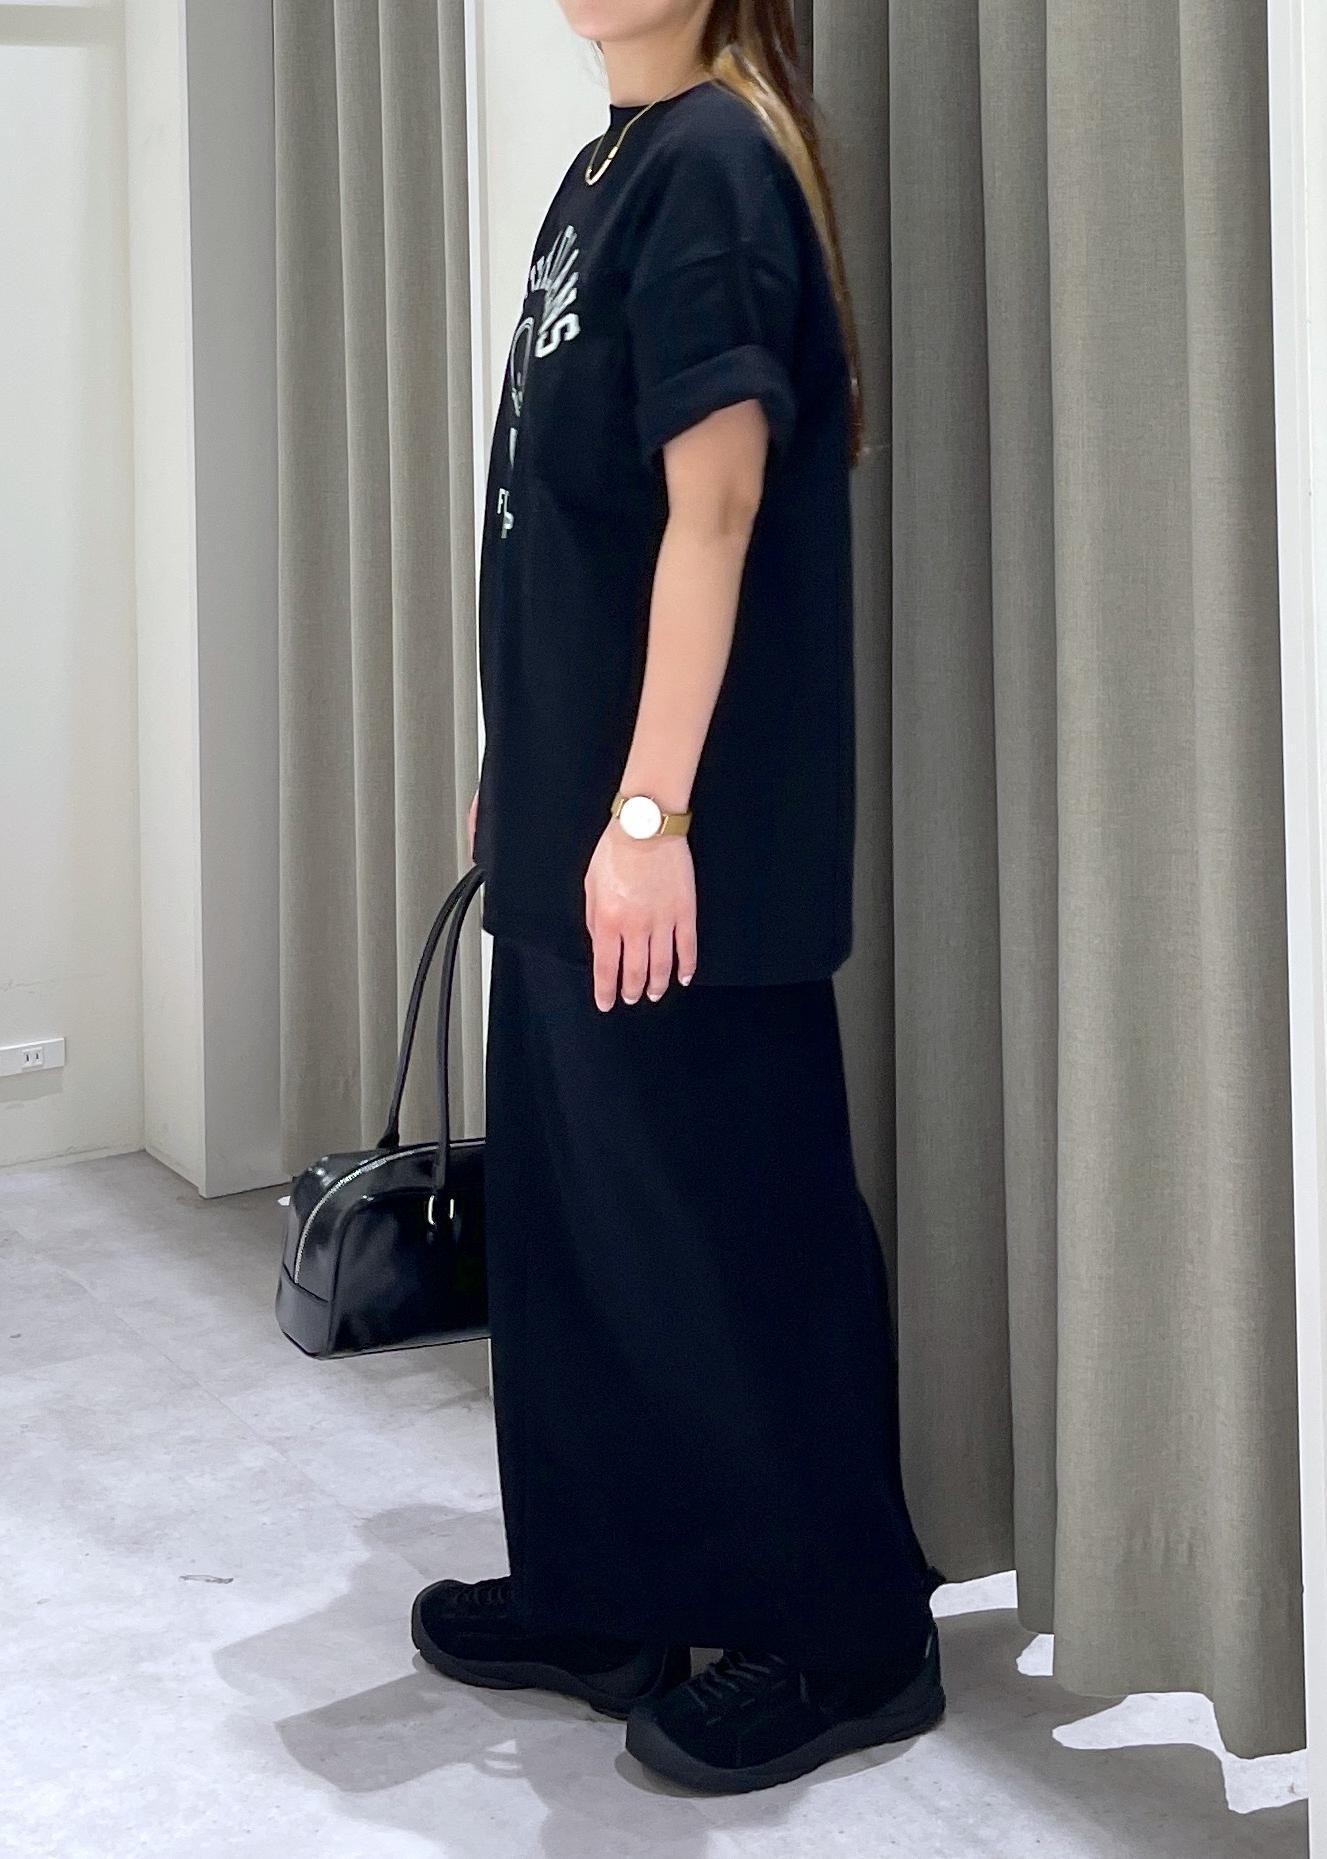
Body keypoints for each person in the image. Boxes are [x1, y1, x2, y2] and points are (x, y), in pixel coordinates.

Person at [410, 0, 947, 1795]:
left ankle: (856, 1641)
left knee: (733, 1228)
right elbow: (566, 519)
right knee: (582, 1234)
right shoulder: (608, 164)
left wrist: (649, 808)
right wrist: (537, 763)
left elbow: (712, 512)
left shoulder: (716, 159)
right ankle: (608, 1596)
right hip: (582, 818)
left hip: (684, 840)